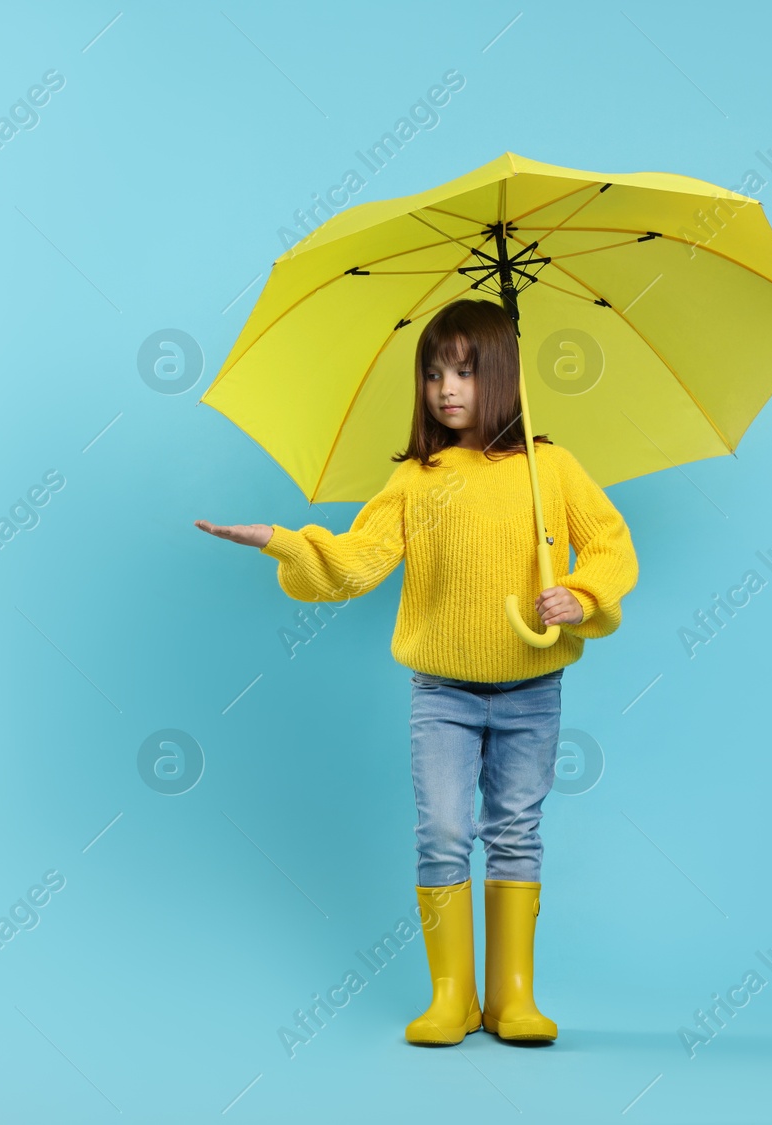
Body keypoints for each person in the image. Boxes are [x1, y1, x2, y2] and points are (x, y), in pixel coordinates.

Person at [194, 298, 638, 1046]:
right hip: (444, 694)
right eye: (433, 373)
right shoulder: (416, 479)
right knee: (441, 830)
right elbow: (355, 561)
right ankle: (451, 997)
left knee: (517, 832)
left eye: (465, 370)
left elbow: (612, 545)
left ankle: (513, 997)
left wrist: (582, 594)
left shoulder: (549, 467)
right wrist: (282, 541)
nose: (447, 388)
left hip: (533, 690)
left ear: (502, 374)